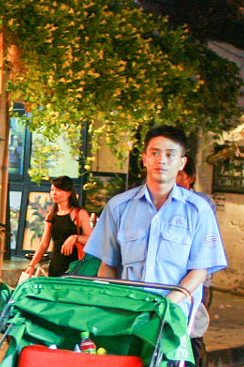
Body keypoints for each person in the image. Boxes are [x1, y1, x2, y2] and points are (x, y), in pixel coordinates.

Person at [84, 125, 227, 335]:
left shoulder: (198, 210)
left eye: (170, 155)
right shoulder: (118, 207)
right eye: (155, 153)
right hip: (127, 316)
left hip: (174, 318)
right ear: (145, 159)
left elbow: (199, 271)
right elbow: (108, 266)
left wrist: (166, 306)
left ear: (181, 162)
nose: (162, 160)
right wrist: (113, 304)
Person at [24, 175, 93, 279]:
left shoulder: (80, 214)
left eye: (59, 190)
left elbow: (91, 240)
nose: (54, 193)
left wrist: (75, 238)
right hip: (56, 265)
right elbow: (44, 244)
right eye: (52, 190)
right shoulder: (51, 216)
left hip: (75, 267)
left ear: (69, 193)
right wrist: (32, 265)